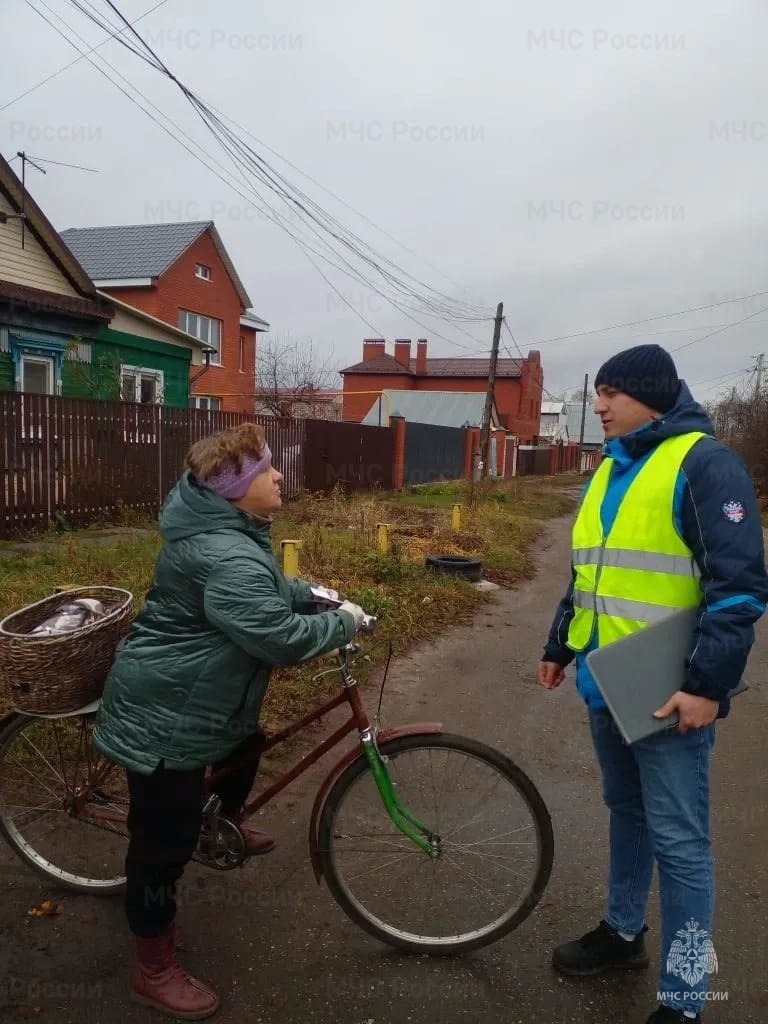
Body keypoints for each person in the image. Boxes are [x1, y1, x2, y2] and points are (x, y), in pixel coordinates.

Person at [94, 422, 365, 1020]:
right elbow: (277, 637)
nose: (279, 476)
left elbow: (268, 589)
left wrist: (318, 594)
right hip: (167, 712)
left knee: (248, 743)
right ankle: (152, 967)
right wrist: (342, 623)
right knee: (161, 844)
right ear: (234, 489)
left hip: (200, 697)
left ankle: (219, 821)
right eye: (267, 470)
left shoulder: (232, 532)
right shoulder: (225, 553)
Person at [537, 344, 768, 1024]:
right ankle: (622, 932)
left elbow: (739, 590)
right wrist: (559, 644)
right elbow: (589, 572)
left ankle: (685, 997)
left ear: (653, 395)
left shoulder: (705, 464)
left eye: (612, 393)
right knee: (628, 812)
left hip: (670, 690)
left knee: (681, 842)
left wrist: (707, 686)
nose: (600, 405)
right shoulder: (610, 467)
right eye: (599, 394)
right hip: (608, 681)